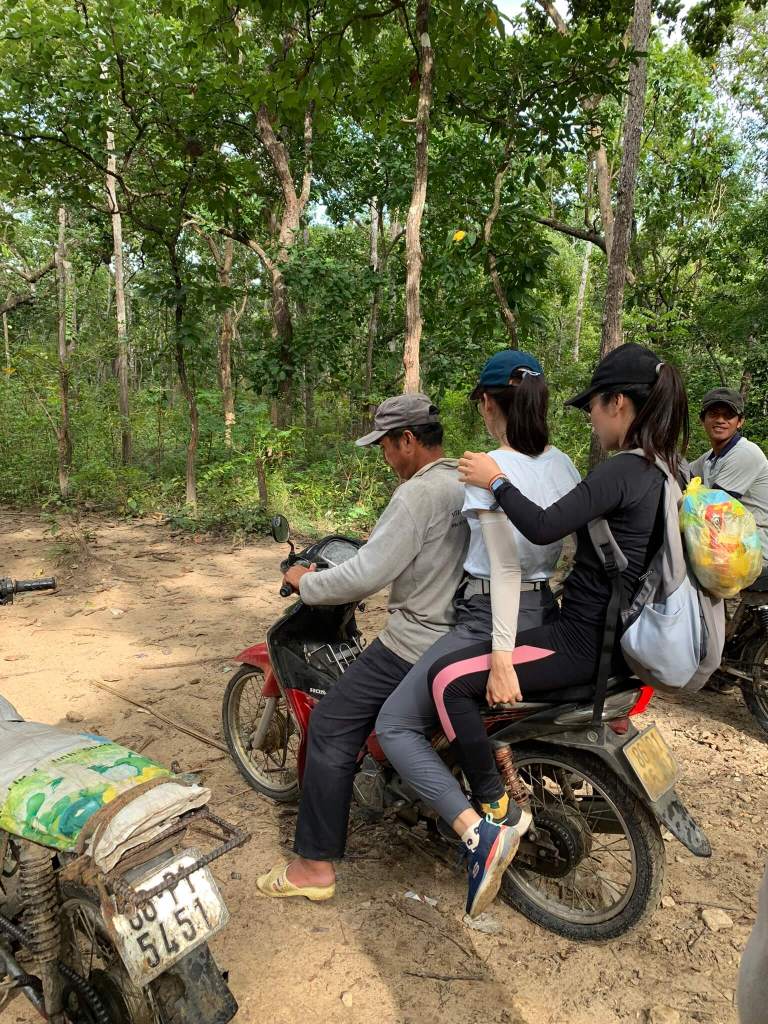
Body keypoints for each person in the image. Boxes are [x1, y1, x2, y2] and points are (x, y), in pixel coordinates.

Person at [377, 342, 688, 917]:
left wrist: (495, 479)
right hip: (592, 631)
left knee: (447, 683)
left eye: (594, 406)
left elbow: (537, 534)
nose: (591, 418)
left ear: (620, 403)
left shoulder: (623, 469)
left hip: (577, 640)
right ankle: (496, 769)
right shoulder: (663, 470)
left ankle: (492, 817)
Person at [374, 351, 580, 917]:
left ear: (488, 403)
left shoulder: (487, 468)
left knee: (395, 724)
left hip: (490, 617)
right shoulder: (564, 465)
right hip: (546, 612)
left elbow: (504, 567)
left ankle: (478, 829)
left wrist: (500, 654)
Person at [256, 393, 469, 902]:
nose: (385, 457)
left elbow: (366, 575)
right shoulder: (467, 480)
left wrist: (306, 582)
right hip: (465, 636)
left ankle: (313, 867)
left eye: (385, 446)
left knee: (330, 725)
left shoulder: (417, 495)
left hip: (416, 640)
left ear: (407, 440)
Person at [691, 387, 768, 588]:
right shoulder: (710, 458)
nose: (720, 420)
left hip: (755, 548)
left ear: (739, 422)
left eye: (728, 416)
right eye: (714, 414)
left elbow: (713, 511)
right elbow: (681, 473)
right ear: (702, 420)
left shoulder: (745, 453)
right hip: (732, 544)